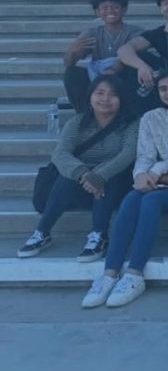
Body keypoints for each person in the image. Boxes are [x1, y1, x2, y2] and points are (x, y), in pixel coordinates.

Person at [81, 71, 168, 309]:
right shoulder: (151, 118)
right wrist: (140, 175)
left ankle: (134, 273)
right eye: (163, 88)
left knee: (150, 202)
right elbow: (144, 156)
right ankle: (109, 274)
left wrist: (158, 170)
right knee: (133, 198)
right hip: (156, 181)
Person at [18, 75, 138, 261]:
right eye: (100, 93)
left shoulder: (131, 124)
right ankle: (42, 232)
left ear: (121, 99)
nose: (105, 99)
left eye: (113, 95)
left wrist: (100, 175)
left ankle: (99, 235)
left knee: (108, 178)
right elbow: (60, 154)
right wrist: (84, 174)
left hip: (113, 183)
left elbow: (128, 154)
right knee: (67, 176)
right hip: (79, 184)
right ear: (90, 97)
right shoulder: (77, 122)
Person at [63, 0, 140, 113]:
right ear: (97, 12)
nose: (110, 11)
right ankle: (85, 115)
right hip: (98, 77)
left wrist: (114, 69)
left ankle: (131, 115)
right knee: (72, 74)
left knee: (135, 70)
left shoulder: (135, 32)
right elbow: (68, 64)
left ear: (124, 9)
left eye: (115, 7)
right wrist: (72, 51)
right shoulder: (92, 33)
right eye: (104, 8)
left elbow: (140, 55)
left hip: (123, 76)